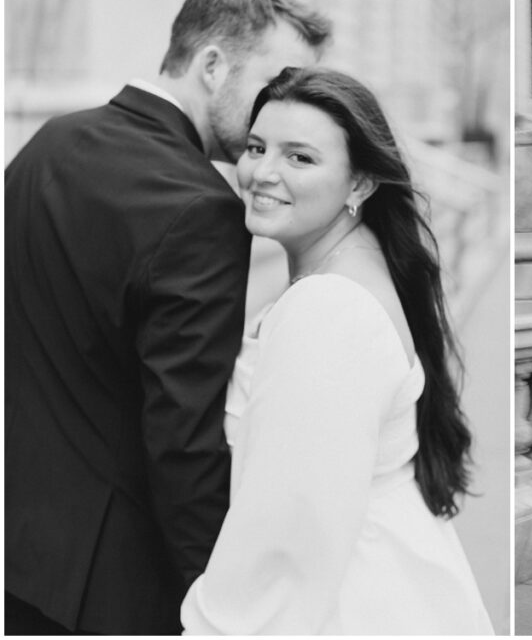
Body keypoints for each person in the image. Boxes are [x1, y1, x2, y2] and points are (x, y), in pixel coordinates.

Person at [5, 0, 330, 634]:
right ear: (211, 65)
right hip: (106, 590)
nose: (283, 109)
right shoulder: (205, 211)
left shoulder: (46, 145)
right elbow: (185, 443)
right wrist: (218, 605)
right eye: (275, 85)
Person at [179, 67, 493, 634]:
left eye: (300, 157)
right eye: (256, 147)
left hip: (348, 603)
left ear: (360, 185)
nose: (263, 172)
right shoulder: (354, 265)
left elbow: (287, 544)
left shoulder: (329, 312)